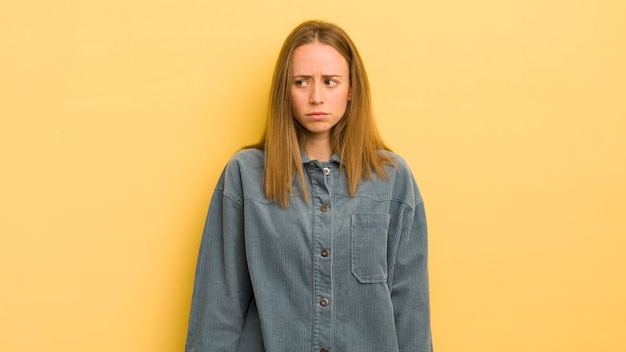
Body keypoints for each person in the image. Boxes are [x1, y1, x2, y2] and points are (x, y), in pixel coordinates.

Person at [185, 20, 433, 352]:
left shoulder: (393, 180)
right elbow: (218, 305)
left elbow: (411, 310)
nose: (316, 97)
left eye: (331, 82)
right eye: (302, 82)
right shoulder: (244, 176)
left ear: (352, 89)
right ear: (284, 91)